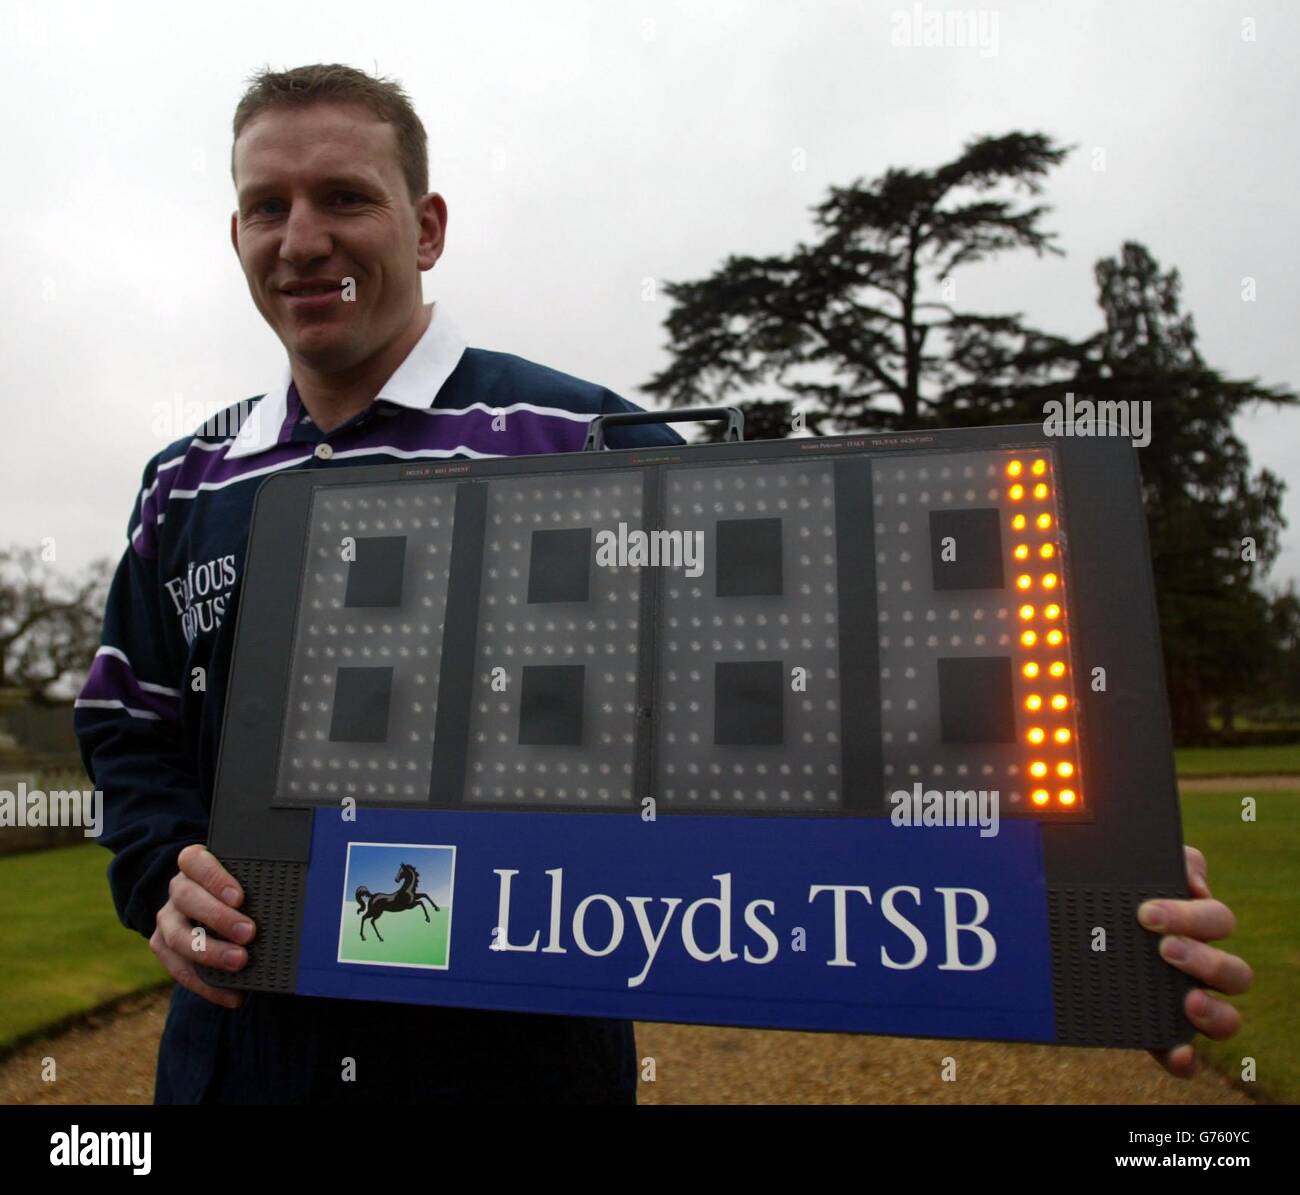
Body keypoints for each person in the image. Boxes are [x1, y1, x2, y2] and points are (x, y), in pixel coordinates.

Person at [75, 63, 1250, 1104]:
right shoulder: (184, 481)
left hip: (515, 1064)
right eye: (265, 206)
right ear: (235, 235)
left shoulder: (581, 436)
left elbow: (819, 692)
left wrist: (1099, 876)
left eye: (344, 197)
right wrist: (162, 875)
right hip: (242, 1055)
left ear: (425, 226)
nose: (302, 237)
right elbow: (129, 729)